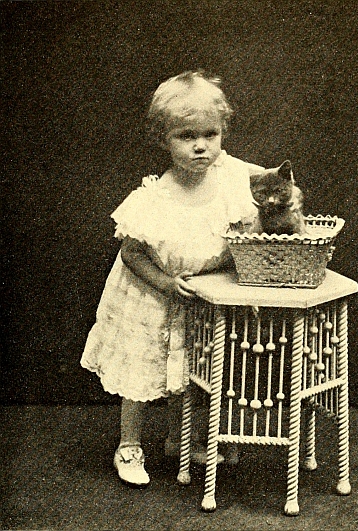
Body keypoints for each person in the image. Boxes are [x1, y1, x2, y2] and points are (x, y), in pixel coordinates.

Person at [80, 71, 265, 486]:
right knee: (141, 371)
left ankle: (180, 439)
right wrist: (164, 282)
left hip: (197, 293)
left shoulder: (230, 178)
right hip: (149, 293)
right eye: (186, 136)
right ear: (163, 139)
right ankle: (129, 444)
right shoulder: (155, 197)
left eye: (211, 134)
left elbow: (268, 182)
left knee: (190, 371)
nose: (201, 146)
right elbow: (131, 253)